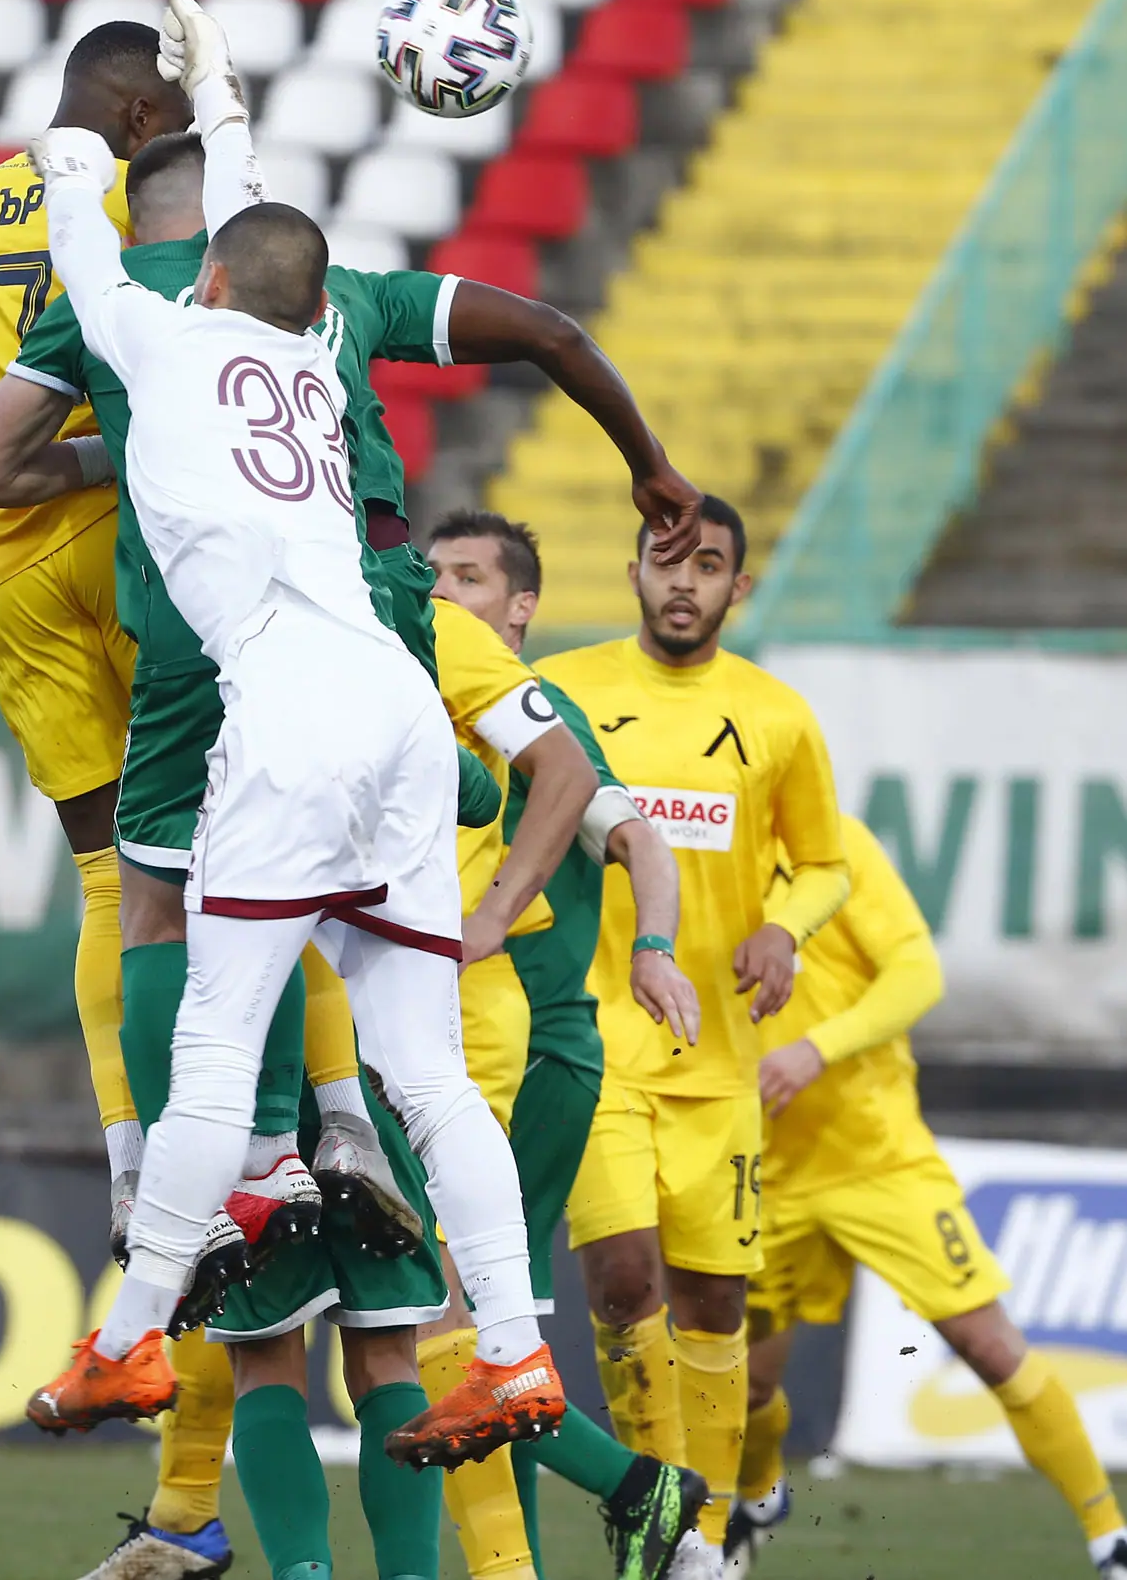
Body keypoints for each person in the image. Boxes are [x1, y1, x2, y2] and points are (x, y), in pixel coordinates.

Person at [15, 132, 563, 1466]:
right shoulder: (319, 356)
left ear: (204, 280)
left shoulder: (158, 339)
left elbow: (86, 245)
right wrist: (220, 105)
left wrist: (70, 156)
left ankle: (131, 1335)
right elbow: (258, 232)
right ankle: (514, 1350)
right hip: (397, 707)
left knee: (215, 1047)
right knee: (426, 1070)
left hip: (290, 709)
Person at [0, 19, 190, 1259]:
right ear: (138, 118)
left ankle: (129, 1162)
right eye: (173, 123)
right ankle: (307, 1124)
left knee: (102, 874)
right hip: (124, 538)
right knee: (240, 842)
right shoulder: (138, 204)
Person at [536, 497, 850, 1578]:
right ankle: (662, 1520)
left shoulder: (775, 716)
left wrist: (783, 927)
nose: (685, 581)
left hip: (718, 1064)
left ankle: (706, 1538)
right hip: (594, 1043)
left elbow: (824, 864)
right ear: (632, 573)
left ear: (737, 587)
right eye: (667, 561)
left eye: (707, 564)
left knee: (714, 1302)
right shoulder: (567, 690)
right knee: (624, 1283)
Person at [725, 813, 1127, 1580]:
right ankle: (756, 1496)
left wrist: (815, 1049)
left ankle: (1108, 1535)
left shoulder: (830, 845)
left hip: (879, 1159)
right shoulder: (690, 849)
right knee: (748, 1386)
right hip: (763, 1169)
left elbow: (917, 973)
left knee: (988, 1344)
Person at [426, 510, 710, 1580]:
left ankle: (643, 1492)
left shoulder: (538, 717)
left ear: (521, 607)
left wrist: (653, 946)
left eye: (469, 576)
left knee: (445, 1320)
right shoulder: (434, 701)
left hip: (531, 1050)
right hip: (470, 1048)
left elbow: (641, 840)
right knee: (484, 1334)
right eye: (433, 574)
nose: (443, 592)